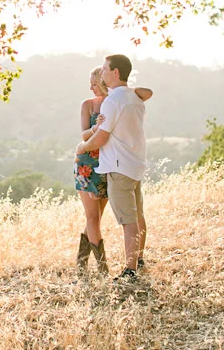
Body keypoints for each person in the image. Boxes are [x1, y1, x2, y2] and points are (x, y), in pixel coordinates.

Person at [75, 55, 148, 282]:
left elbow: (101, 138)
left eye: (105, 69)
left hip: (118, 166)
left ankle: (130, 271)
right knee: (136, 216)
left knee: (128, 221)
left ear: (115, 72)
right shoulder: (134, 98)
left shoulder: (112, 101)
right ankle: (137, 260)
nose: (103, 73)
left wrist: (82, 148)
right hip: (133, 164)